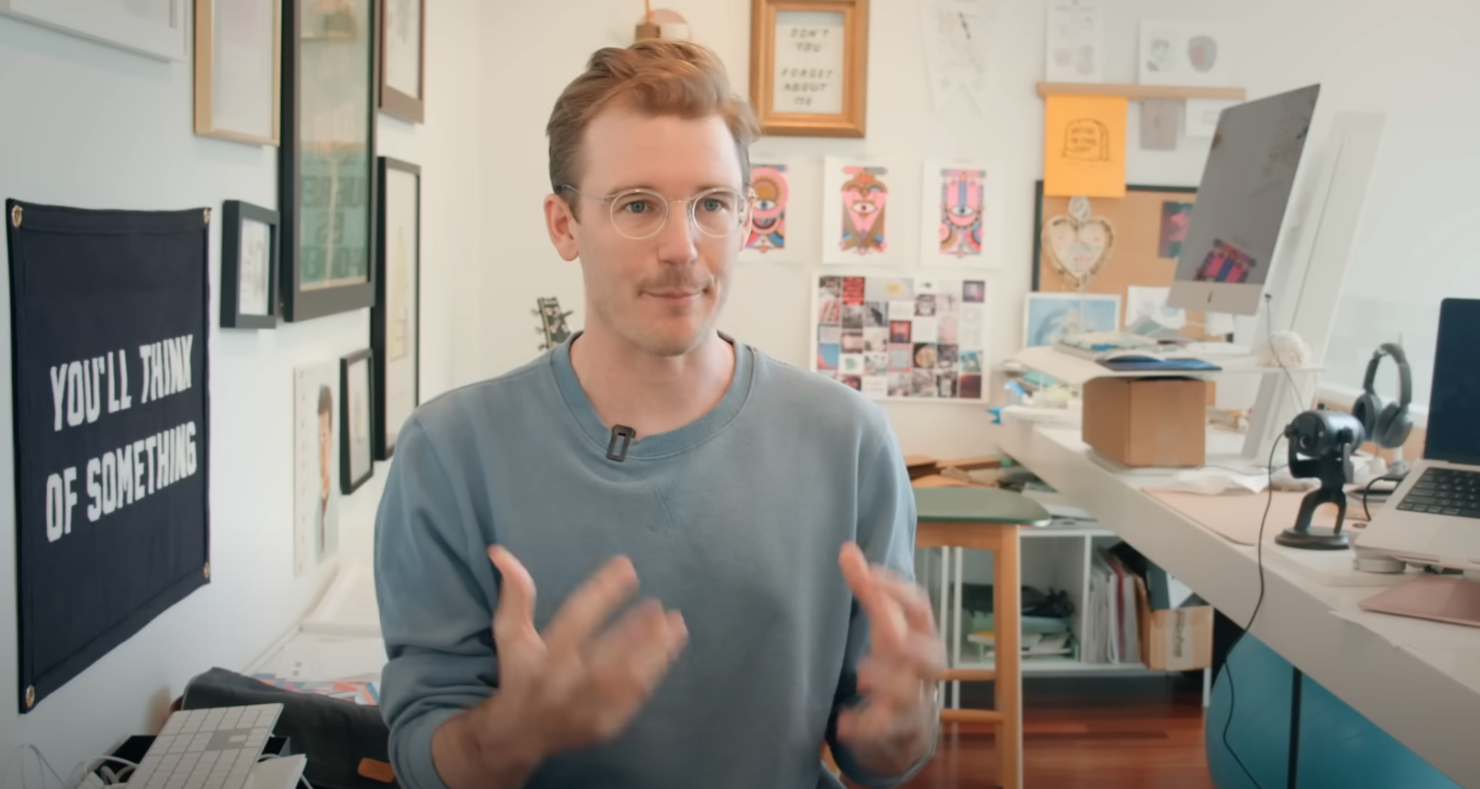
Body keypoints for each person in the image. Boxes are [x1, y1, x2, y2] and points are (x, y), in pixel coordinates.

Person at [375, 40, 942, 789]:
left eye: (712, 204)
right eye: (637, 205)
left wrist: (905, 728)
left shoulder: (848, 441)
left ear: (745, 218)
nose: (683, 247)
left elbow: (881, 752)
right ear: (564, 225)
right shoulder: (449, 453)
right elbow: (423, 751)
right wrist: (506, 737)